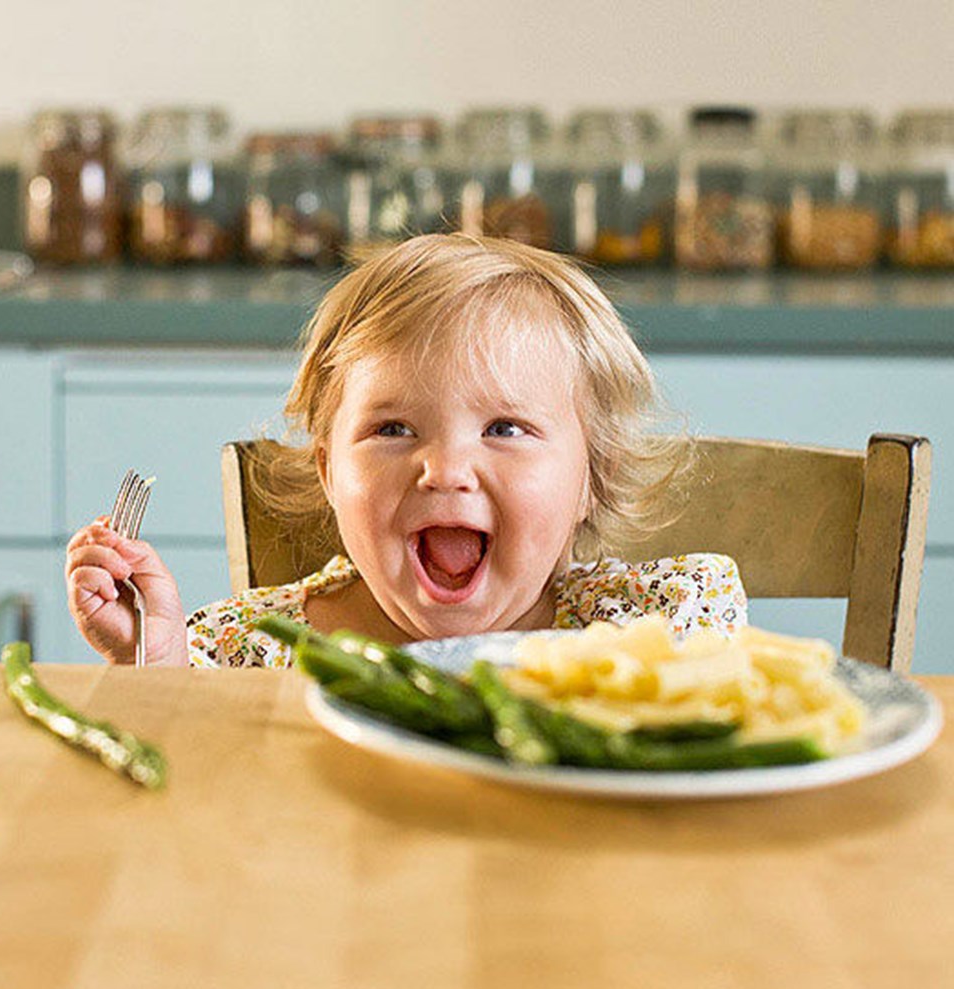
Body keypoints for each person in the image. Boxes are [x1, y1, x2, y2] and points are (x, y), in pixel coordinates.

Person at [65, 233, 747, 669]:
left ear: (592, 478)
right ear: (329, 470)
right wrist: (154, 672)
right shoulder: (245, 652)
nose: (446, 471)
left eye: (505, 429)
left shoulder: (663, 627)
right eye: (393, 430)